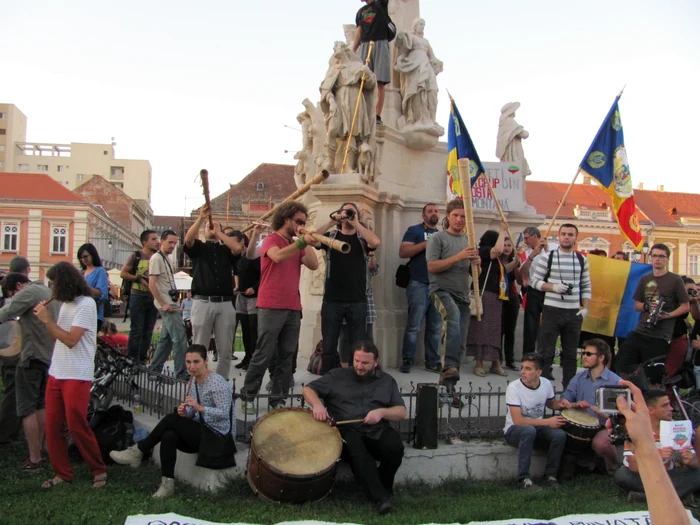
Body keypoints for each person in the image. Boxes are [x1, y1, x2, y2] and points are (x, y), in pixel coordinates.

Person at [110, 344, 234, 498]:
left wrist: (200, 408)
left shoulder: (218, 383)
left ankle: (139, 450)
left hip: (218, 438)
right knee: (169, 434)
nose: (192, 367)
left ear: (206, 360)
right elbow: (194, 413)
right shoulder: (193, 381)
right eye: (188, 362)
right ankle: (167, 484)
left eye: (196, 362)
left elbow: (224, 415)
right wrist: (187, 412)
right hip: (201, 430)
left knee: (171, 420)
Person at [304, 341, 406, 515]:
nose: (359, 366)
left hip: (376, 430)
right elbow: (308, 389)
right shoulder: (337, 376)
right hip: (346, 431)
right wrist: (317, 405)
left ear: (376, 362)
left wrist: (381, 412)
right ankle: (381, 497)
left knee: (395, 448)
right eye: (356, 360)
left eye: (365, 363)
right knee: (356, 450)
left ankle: (381, 485)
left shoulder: (387, 381)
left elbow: (401, 412)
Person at [240, 201, 319, 415]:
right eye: (298, 221)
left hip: (293, 305)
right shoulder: (272, 239)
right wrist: (302, 240)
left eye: (304, 221)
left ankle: (278, 398)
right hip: (271, 305)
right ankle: (248, 394)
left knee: (287, 355)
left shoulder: (297, 243)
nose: (302, 224)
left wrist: (308, 240)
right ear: (286, 219)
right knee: (263, 353)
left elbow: (314, 264)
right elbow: (277, 256)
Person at [33, 261, 107, 489]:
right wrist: (47, 321)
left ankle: (98, 469)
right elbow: (59, 336)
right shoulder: (66, 304)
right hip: (58, 370)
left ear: (63, 283)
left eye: (53, 283)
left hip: (77, 372)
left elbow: (71, 340)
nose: (51, 288)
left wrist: (47, 320)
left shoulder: (86, 304)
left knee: (76, 424)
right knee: (53, 425)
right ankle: (62, 473)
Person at [0, 267, 58, 470]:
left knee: (26, 408)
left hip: (31, 356)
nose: (12, 298)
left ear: (17, 285)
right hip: (48, 356)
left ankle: (34, 459)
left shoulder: (29, 292)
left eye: (11, 295)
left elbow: (6, 313)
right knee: (41, 404)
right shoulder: (48, 291)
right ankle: (42, 450)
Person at [315, 203, 381, 373]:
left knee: (358, 345)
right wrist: (331, 221)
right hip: (332, 299)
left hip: (357, 300)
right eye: (345, 212)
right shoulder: (332, 235)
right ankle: (329, 379)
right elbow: (313, 239)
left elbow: (375, 241)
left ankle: (354, 380)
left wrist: (356, 223)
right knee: (329, 344)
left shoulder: (362, 239)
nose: (348, 216)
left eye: (352, 212)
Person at [616, 244, 689, 385]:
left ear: (667, 259)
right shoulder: (645, 279)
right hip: (640, 330)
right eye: (654, 256)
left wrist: (668, 315)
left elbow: (685, 306)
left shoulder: (675, 280)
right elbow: (636, 305)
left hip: (660, 335)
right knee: (622, 363)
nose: (657, 259)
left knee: (654, 376)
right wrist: (647, 306)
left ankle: (651, 401)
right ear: (650, 258)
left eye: (661, 256)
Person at [184, 204, 243, 380]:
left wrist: (219, 233)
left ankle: (221, 382)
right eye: (208, 227)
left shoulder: (226, 249)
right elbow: (188, 240)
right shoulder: (199, 249)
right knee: (199, 347)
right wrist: (202, 218)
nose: (211, 227)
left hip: (225, 303)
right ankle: (199, 381)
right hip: (203, 302)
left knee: (225, 348)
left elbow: (238, 248)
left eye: (215, 225)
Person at [530, 223, 592, 388]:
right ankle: (541, 388)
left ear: (576, 238)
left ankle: (569, 391)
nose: (566, 237)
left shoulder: (581, 259)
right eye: (563, 234)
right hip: (552, 309)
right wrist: (553, 287)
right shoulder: (547, 257)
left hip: (573, 312)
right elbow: (534, 281)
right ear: (558, 237)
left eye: (570, 234)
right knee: (546, 352)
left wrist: (585, 308)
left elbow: (586, 286)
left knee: (571, 354)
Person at [426, 199, 480, 386]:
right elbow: (432, 266)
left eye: (463, 216)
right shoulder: (437, 238)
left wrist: (476, 264)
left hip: (462, 294)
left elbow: (475, 274)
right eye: (455, 215)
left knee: (458, 341)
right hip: (441, 289)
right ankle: (449, 366)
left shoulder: (469, 241)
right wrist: (459, 256)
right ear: (448, 216)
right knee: (453, 318)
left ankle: (449, 388)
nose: (459, 219)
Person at [614, 389, 700, 503]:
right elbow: (634, 467)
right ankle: (680, 494)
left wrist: (691, 460)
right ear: (651, 410)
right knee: (622, 475)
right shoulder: (636, 428)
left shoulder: (677, 427)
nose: (671, 408)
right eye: (665, 406)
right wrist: (658, 456)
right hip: (644, 475)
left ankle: (646, 496)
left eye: (669, 404)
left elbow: (696, 463)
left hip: (669, 474)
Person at [551, 338, 622, 473]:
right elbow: (565, 399)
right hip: (581, 425)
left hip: (604, 426)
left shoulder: (616, 381)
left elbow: (621, 415)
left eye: (589, 354)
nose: (584, 356)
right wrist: (573, 404)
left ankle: (615, 470)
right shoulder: (579, 378)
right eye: (584, 353)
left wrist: (605, 414)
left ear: (601, 357)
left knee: (600, 443)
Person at [504, 352, 567, 491]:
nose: (522, 372)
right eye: (522, 368)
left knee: (559, 435)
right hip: (514, 430)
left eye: (528, 369)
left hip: (536, 428)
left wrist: (563, 405)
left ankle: (551, 475)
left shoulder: (545, 384)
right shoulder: (514, 388)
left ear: (538, 372)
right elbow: (518, 420)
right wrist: (547, 422)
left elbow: (551, 404)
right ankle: (523, 479)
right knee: (528, 430)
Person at [398, 203, 442, 373]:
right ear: (423, 216)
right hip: (418, 283)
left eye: (436, 211)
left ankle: (432, 361)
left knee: (435, 327)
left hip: (438, 286)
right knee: (414, 326)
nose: (433, 213)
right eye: (430, 211)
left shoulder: (442, 234)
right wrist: (427, 244)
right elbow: (403, 252)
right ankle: (407, 360)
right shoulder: (414, 230)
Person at [467, 223, 509, 377]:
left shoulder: (497, 261)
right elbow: (497, 250)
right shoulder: (483, 252)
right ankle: (479, 362)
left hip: (496, 297)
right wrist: (503, 229)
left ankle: (495, 362)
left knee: (494, 331)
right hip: (484, 295)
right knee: (481, 330)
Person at [148, 230, 189, 379]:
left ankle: (154, 370)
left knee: (166, 340)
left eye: (175, 243)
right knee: (180, 338)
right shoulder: (156, 258)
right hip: (167, 304)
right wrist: (163, 303)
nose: (172, 245)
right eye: (170, 242)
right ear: (162, 241)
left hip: (170, 302)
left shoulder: (165, 259)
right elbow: (152, 284)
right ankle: (181, 372)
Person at [393, 18, 444, 134]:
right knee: (417, 91)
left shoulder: (426, 42)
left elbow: (432, 56)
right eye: (420, 24)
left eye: (423, 24)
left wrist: (438, 63)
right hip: (414, 65)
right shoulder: (411, 38)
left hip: (426, 66)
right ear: (415, 26)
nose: (422, 26)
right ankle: (418, 118)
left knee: (432, 91)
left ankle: (430, 119)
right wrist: (401, 36)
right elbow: (401, 44)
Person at [121, 230, 160, 363]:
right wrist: (138, 278)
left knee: (148, 330)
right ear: (145, 242)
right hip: (137, 296)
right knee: (137, 329)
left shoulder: (158, 257)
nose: (157, 242)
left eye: (157, 239)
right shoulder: (136, 256)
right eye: (154, 239)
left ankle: (142, 359)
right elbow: (123, 273)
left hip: (153, 296)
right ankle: (132, 359)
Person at [353, 0, 391, 123]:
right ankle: (362, 113)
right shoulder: (360, 12)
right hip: (364, 45)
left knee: (380, 80)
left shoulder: (381, 3)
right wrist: (353, 50)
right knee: (362, 81)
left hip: (380, 43)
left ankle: (377, 114)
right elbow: (359, 32)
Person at [233, 229, 261, 371]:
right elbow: (236, 273)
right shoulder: (239, 258)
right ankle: (247, 357)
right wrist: (237, 285)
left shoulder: (255, 256)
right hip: (242, 296)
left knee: (252, 329)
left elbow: (262, 275)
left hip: (253, 297)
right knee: (244, 328)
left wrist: (254, 288)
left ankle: (253, 360)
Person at [518, 226, 548, 355]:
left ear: (535, 236)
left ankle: (545, 358)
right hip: (533, 290)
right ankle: (528, 356)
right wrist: (532, 256)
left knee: (548, 327)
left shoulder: (552, 248)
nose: (525, 242)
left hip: (548, 291)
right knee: (530, 326)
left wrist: (546, 250)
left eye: (527, 238)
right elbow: (523, 273)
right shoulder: (526, 253)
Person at [665, 276, 700, 380]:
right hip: (665, 337)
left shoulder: (689, 302)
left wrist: (693, 302)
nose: (691, 293)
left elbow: (696, 317)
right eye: (688, 290)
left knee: (672, 372)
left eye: (693, 290)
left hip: (679, 338)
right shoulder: (669, 299)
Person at [0, 279, 21, 446]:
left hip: (7, 351)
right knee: (12, 394)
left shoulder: (6, 301)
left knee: (11, 391)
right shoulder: (11, 304)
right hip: (11, 353)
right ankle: (6, 435)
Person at [501, 236, 523, 371]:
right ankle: (497, 360)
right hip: (500, 297)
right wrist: (514, 263)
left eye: (509, 245)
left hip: (512, 297)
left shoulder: (514, 261)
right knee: (499, 330)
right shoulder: (496, 261)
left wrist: (517, 265)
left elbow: (520, 281)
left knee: (510, 331)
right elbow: (502, 272)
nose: (507, 248)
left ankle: (510, 360)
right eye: (504, 245)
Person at [77, 243, 109, 333]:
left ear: (92, 255)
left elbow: (102, 294)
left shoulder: (100, 271)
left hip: (94, 313)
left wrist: (84, 287)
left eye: (85, 256)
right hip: (81, 311)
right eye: (81, 257)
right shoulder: (81, 272)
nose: (83, 259)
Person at [495, 101, 531, 177]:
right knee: (516, 174)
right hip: (513, 154)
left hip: (508, 156)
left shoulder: (503, 124)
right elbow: (524, 134)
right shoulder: (510, 122)